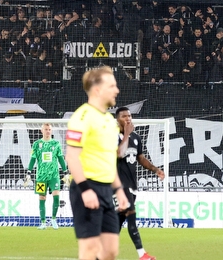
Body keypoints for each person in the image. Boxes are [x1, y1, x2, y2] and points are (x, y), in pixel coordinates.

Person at [66, 66, 130, 260]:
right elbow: (71, 156)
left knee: (110, 251)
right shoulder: (82, 117)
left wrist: (119, 191)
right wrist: (85, 190)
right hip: (86, 187)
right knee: (90, 249)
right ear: (97, 90)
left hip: (106, 190)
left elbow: (109, 161)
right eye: (112, 86)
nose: (117, 90)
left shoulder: (110, 121)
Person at [116, 107, 165, 260]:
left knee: (118, 221)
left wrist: (155, 169)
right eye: (124, 116)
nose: (128, 119)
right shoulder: (112, 137)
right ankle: (142, 254)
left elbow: (141, 158)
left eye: (129, 116)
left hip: (132, 185)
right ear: (117, 120)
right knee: (131, 216)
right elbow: (119, 153)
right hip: (119, 186)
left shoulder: (136, 137)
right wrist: (126, 134)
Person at [27, 122, 67, 229]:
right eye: (46, 129)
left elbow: (61, 158)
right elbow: (33, 159)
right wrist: (29, 172)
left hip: (54, 176)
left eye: (49, 129)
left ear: (51, 131)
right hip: (41, 176)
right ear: (42, 131)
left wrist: (66, 171)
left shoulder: (56, 143)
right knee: (42, 197)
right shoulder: (36, 144)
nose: (48, 131)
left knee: (56, 196)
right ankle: (43, 222)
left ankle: (54, 219)